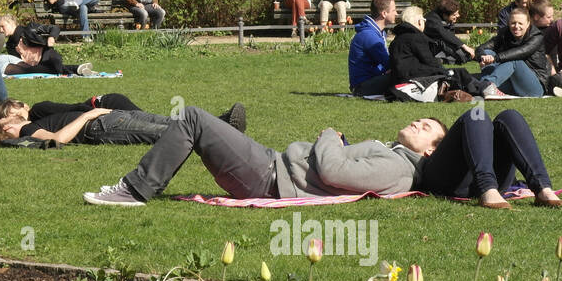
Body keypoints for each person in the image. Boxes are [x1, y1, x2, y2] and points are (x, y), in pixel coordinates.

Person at [82, 106, 442, 206]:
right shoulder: (393, 156)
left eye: (425, 126)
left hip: (269, 177)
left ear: (429, 150)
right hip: (273, 165)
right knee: (196, 121)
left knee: (192, 118)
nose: (416, 121)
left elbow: (334, 171)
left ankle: (134, 190)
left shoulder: (398, 168)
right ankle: (137, 187)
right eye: (420, 119)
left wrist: (331, 136)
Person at [415, 107, 562, 208]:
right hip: (444, 182)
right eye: (417, 121)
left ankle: (543, 188)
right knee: (477, 113)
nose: (416, 123)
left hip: (470, 176)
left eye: (425, 127)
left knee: (509, 116)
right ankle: (487, 189)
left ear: (432, 148)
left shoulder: (435, 152)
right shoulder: (394, 148)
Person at [0, 96, 246, 147]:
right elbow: (57, 140)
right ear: (5, 128)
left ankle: (221, 123)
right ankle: (222, 133)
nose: (12, 118)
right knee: (165, 130)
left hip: (106, 119)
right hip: (100, 126)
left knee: (169, 122)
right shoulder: (24, 129)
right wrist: (88, 114)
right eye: (7, 120)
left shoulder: (26, 129)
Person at [388, 6, 492, 100]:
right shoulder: (416, 38)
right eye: (424, 20)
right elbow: (430, 62)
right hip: (414, 80)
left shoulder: (396, 40)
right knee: (459, 72)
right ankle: (484, 89)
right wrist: (445, 72)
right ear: (419, 22)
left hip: (401, 80)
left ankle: (481, 87)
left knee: (455, 73)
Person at [476, 7, 550, 97]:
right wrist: (482, 57)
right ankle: (485, 87)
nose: (516, 26)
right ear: (508, 23)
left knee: (515, 61)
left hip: (534, 87)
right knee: (488, 52)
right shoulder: (505, 33)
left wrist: (495, 58)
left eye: (520, 23)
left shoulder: (536, 36)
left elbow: (521, 51)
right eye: (513, 23)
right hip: (512, 83)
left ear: (528, 24)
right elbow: (482, 48)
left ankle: (485, 84)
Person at [348, 0, 397, 97]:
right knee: (401, 75)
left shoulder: (376, 32)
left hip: (368, 82)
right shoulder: (369, 36)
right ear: (384, 13)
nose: (396, 13)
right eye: (394, 10)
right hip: (363, 87)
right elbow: (388, 64)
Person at [423, 0, 474, 64]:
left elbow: (451, 37)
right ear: (445, 15)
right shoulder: (432, 20)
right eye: (455, 14)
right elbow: (444, 34)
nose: (458, 16)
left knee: (466, 55)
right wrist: (464, 46)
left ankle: (444, 60)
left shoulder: (445, 18)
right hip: (428, 48)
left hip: (439, 45)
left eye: (457, 13)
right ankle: (441, 60)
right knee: (463, 56)